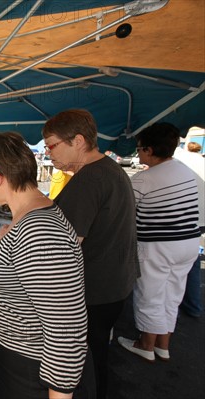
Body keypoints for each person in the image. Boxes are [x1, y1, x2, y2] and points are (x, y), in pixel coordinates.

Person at [0, 132, 90, 399]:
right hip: (16, 359)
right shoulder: (34, 214)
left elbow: (66, 328)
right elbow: (28, 267)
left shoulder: (38, 231)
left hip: (32, 371)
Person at [42, 109, 139, 399]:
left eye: (52, 145)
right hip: (117, 284)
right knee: (98, 357)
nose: (48, 154)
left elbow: (62, 248)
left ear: (79, 141)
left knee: (84, 368)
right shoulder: (111, 169)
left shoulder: (88, 180)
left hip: (95, 291)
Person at [118, 123, 201, 362]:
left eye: (139, 149)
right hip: (188, 243)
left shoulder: (144, 179)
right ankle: (163, 345)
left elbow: (126, 214)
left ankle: (145, 344)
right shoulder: (184, 171)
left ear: (150, 150)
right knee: (172, 294)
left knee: (149, 295)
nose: (138, 153)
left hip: (158, 245)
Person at [175, 141, 204, 318]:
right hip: (201, 218)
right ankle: (193, 306)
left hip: (185, 218)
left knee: (174, 268)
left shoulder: (178, 160)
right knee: (192, 260)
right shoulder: (201, 160)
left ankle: (174, 310)